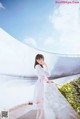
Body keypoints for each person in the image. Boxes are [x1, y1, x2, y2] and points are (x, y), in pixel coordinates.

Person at [33, 54, 51, 119]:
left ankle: (39, 117)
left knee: (41, 105)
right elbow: (48, 74)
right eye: (38, 59)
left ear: (43, 59)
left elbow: (44, 76)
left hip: (41, 84)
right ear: (36, 60)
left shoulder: (40, 66)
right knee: (41, 103)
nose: (39, 60)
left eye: (41, 59)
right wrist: (46, 65)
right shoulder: (38, 66)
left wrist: (48, 81)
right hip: (40, 85)